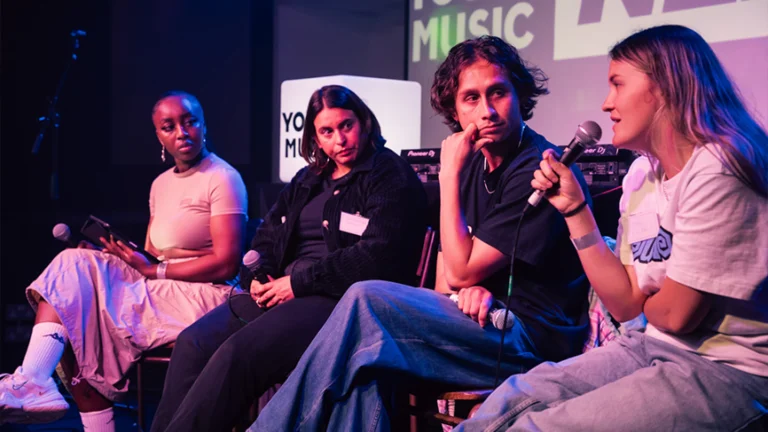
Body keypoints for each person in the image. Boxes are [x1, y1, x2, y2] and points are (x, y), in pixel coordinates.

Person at [248, 35, 592, 432]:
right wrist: (469, 288)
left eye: (498, 93)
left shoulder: (538, 167)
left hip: (526, 337)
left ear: (519, 95)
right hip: (479, 317)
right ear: (455, 109)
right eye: (471, 98)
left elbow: (462, 271)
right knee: (366, 367)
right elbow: (453, 275)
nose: (487, 111)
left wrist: (449, 177)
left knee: (365, 297)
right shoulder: (476, 164)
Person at [457, 25, 768, 431]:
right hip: (651, 344)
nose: (606, 104)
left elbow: (675, 316)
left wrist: (651, 304)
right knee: (508, 403)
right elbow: (625, 305)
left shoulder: (718, 169)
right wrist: (575, 211)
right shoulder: (643, 176)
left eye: (617, 84)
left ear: (664, 86)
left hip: (728, 368)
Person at [151, 85, 428, 432]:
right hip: (282, 291)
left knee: (239, 354)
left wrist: (297, 284)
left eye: (346, 125)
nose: (340, 139)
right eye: (327, 131)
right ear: (315, 136)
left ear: (364, 122)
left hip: (339, 300)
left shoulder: (389, 174)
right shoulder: (307, 179)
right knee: (193, 343)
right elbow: (265, 239)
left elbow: (377, 255)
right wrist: (258, 277)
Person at [0, 91, 248, 432]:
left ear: (204, 125)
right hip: (161, 290)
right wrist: (116, 259)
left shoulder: (222, 177)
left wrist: (152, 269)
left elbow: (226, 264)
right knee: (76, 271)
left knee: (83, 312)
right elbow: (149, 256)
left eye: (190, 121)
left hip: (207, 297)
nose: (181, 132)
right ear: (158, 136)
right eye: (168, 126)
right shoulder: (160, 185)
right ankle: (35, 381)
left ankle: (32, 381)